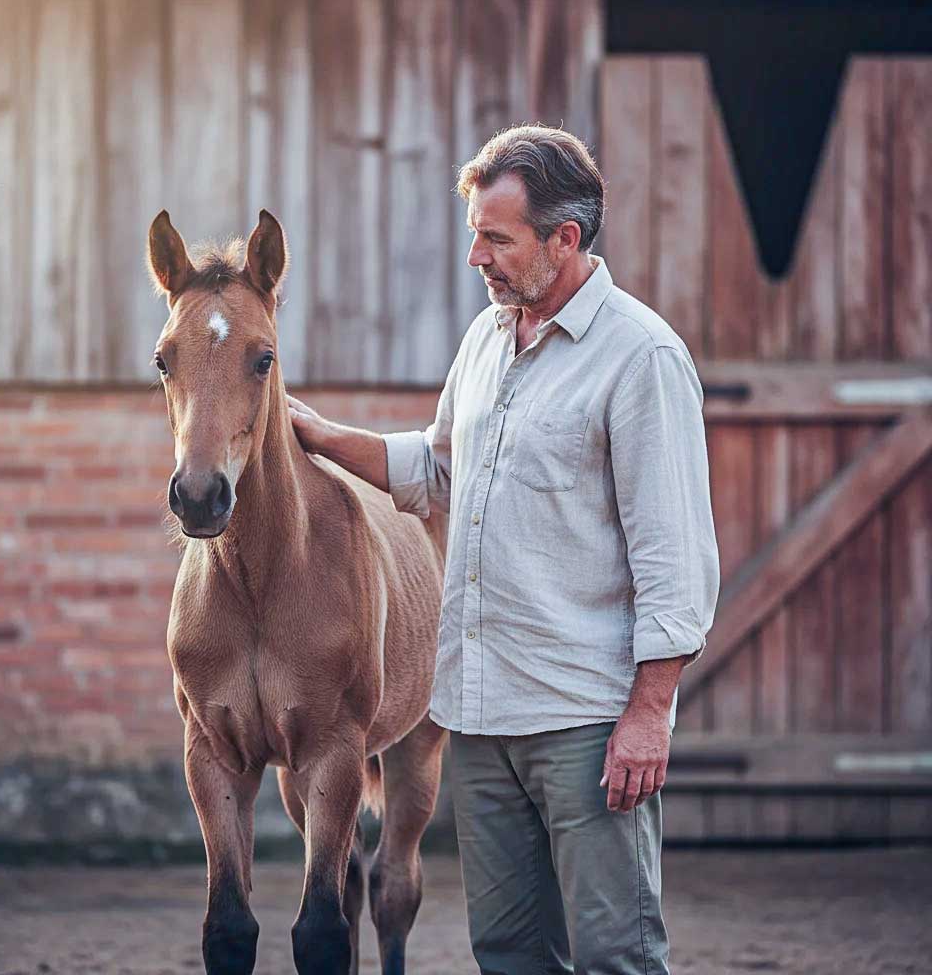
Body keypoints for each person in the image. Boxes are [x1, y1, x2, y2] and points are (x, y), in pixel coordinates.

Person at [287, 123, 721, 975]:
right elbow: (439, 471)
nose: (475, 258)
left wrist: (646, 716)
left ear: (565, 239)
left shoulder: (641, 359)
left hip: (587, 727)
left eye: (496, 238)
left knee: (614, 956)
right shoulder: (487, 341)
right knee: (510, 954)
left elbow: (676, 562)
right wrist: (321, 435)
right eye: (473, 234)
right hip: (481, 719)